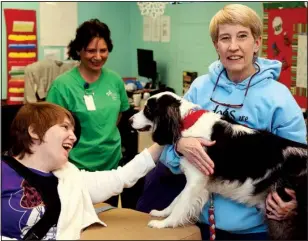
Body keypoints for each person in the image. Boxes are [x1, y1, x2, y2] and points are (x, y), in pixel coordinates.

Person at [136, 4, 307, 240]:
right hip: (200, 222)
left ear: (257, 43)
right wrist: (179, 145)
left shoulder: (279, 98)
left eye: (242, 36)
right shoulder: (200, 88)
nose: (233, 46)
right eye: (225, 38)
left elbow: (299, 165)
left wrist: (296, 206)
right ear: (216, 45)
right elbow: (169, 148)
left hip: (254, 230)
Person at [1, 102, 164, 240]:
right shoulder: (3, 170)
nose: (73, 136)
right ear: (34, 132)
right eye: (65, 127)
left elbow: (120, 177)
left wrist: (163, 140)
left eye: (73, 131)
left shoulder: (70, 177)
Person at [46, 19, 130, 206]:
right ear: (79, 50)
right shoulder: (63, 86)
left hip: (111, 166)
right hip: (75, 168)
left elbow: (119, 114)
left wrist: (101, 131)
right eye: (91, 50)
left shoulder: (115, 80)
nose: (98, 56)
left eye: (103, 50)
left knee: (109, 222)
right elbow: (50, 129)